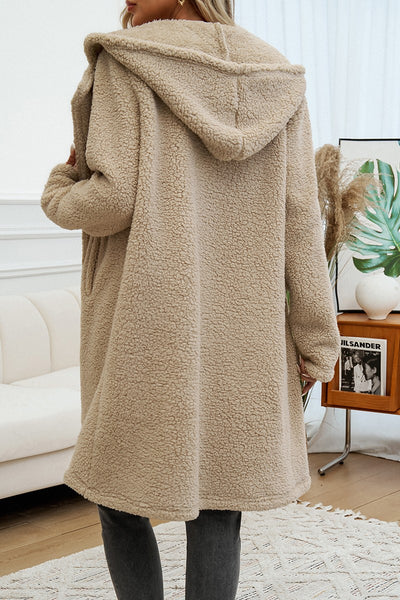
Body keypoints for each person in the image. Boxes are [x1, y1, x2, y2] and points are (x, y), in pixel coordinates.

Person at [41, 0, 340, 598]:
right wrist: (316, 340)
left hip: (146, 323)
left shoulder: (126, 62)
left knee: (116, 491)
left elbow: (110, 200)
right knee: (221, 500)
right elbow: (301, 220)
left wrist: (59, 185)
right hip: (245, 332)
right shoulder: (279, 79)